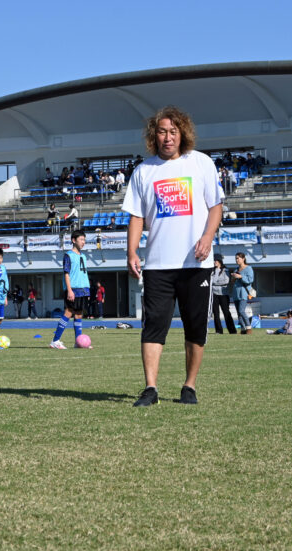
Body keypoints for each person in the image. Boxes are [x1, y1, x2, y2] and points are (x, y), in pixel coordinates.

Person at [123, 106, 224, 407]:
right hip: (157, 265)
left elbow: (216, 207)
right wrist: (131, 251)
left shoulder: (201, 163)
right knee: (153, 325)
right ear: (154, 136)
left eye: (173, 131)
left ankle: (189, 387)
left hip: (195, 263)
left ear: (183, 134)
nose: (167, 137)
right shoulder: (144, 170)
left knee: (195, 326)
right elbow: (137, 217)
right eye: (162, 132)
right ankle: (150, 389)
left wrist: (207, 237)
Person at [50, 230, 92, 349]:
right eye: (81, 239)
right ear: (74, 240)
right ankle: (55, 340)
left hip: (83, 289)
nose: (83, 242)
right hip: (73, 289)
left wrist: (87, 290)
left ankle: (78, 342)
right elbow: (66, 274)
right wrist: (69, 290)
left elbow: (84, 274)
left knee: (79, 315)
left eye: (84, 240)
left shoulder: (83, 256)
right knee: (68, 313)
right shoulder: (68, 255)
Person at [210, 254, 236, 334]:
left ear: (220, 261)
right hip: (214, 294)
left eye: (216, 260)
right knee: (216, 313)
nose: (214, 262)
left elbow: (226, 281)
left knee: (226, 312)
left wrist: (215, 282)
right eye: (213, 260)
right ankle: (218, 330)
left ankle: (232, 330)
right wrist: (216, 279)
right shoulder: (212, 270)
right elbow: (211, 281)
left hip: (224, 294)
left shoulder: (226, 270)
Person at [231, 252, 255, 334]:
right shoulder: (236, 269)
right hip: (236, 293)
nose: (236, 260)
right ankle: (243, 328)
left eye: (238, 258)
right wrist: (233, 278)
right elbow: (233, 282)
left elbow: (250, 280)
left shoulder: (249, 268)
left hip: (244, 292)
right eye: (236, 258)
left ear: (243, 258)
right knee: (238, 312)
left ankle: (248, 327)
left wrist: (240, 276)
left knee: (241, 310)